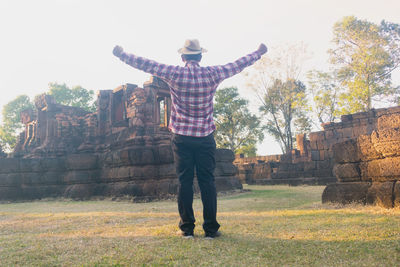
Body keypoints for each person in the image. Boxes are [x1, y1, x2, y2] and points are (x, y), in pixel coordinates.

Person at [113, 39, 267, 239]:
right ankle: (211, 229)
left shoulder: (175, 73)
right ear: (200, 57)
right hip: (204, 136)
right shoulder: (212, 73)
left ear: (183, 57)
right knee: (207, 182)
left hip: (182, 137)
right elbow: (237, 65)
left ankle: (187, 229)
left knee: (184, 181)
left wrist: (122, 54)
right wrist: (258, 52)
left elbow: (146, 64)